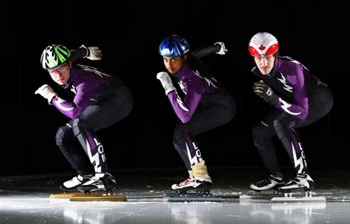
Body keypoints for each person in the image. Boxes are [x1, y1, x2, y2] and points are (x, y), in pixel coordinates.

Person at [34, 44, 133, 193]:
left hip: (119, 100)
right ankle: (84, 176)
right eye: (53, 72)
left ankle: (103, 177)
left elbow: (74, 112)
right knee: (62, 136)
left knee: (80, 124)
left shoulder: (83, 79)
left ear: (70, 64)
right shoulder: (68, 61)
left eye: (61, 69)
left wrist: (52, 97)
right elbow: (74, 54)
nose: (59, 76)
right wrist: (85, 51)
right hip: (98, 100)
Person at [248, 32, 333, 192]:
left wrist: (273, 99)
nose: (263, 63)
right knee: (259, 132)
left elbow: (301, 112)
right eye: (259, 58)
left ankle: (303, 178)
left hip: (319, 99)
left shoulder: (292, 69)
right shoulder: (256, 71)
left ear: (276, 55)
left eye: (267, 57)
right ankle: (274, 176)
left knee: (282, 123)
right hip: (296, 101)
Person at [155, 35, 236, 193]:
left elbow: (185, 115)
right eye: (165, 59)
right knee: (179, 135)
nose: (169, 65)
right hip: (216, 103)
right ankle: (196, 177)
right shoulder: (188, 60)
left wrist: (168, 87)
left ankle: (200, 177)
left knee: (184, 129)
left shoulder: (191, 80)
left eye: (173, 59)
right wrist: (216, 47)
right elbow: (197, 53)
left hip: (222, 107)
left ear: (183, 58)